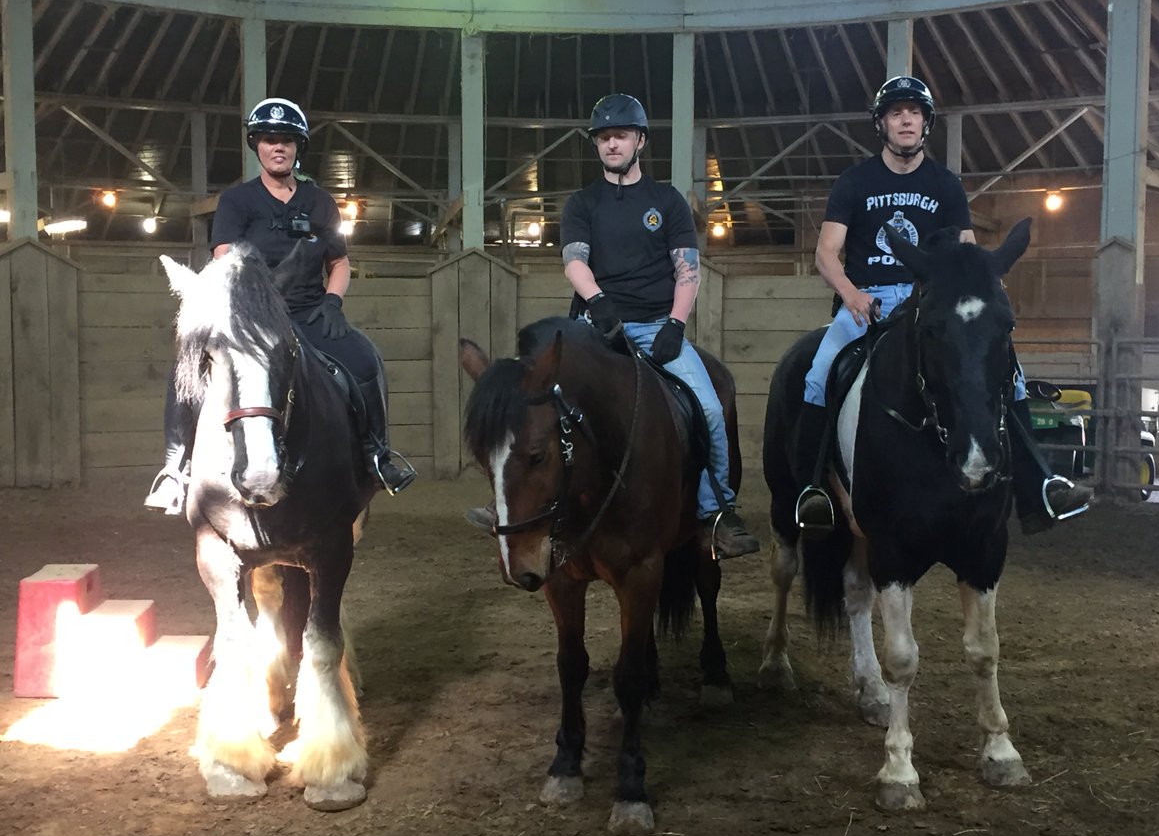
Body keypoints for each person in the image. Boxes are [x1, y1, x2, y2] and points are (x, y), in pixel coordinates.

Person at [793, 75, 1091, 536]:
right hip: (867, 300)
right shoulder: (855, 182)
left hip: (933, 300)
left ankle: (1039, 488)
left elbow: (968, 254)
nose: (906, 120)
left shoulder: (945, 185)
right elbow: (826, 253)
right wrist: (852, 295)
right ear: (882, 124)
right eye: (896, 113)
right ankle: (812, 488)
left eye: (914, 112)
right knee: (817, 376)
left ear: (925, 123)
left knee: (1011, 378)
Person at [468, 93, 759, 559]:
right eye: (604, 137)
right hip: (594, 331)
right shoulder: (583, 204)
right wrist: (599, 302)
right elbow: (574, 261)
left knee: (708, 409)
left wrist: (676, 325)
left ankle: (716, 513)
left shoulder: (667, 201)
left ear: (640, 141)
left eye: (620, 136)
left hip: (656, 325)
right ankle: (512, 502)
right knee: (531, 405)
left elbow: (687, 269)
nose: (612, 144)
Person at [144, 97, 415, 513]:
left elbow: (339, 263)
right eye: (270, 139)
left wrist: (332, 302)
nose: (278, 147)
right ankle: (175, 469)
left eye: (287, 140)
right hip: (252, 320)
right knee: (188, 366)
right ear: (257, 145)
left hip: (310, 313)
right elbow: (225, 260)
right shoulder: (237, 201)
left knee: (365, 359)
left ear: (297, 147)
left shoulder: (320, 202)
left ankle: (376, 455)